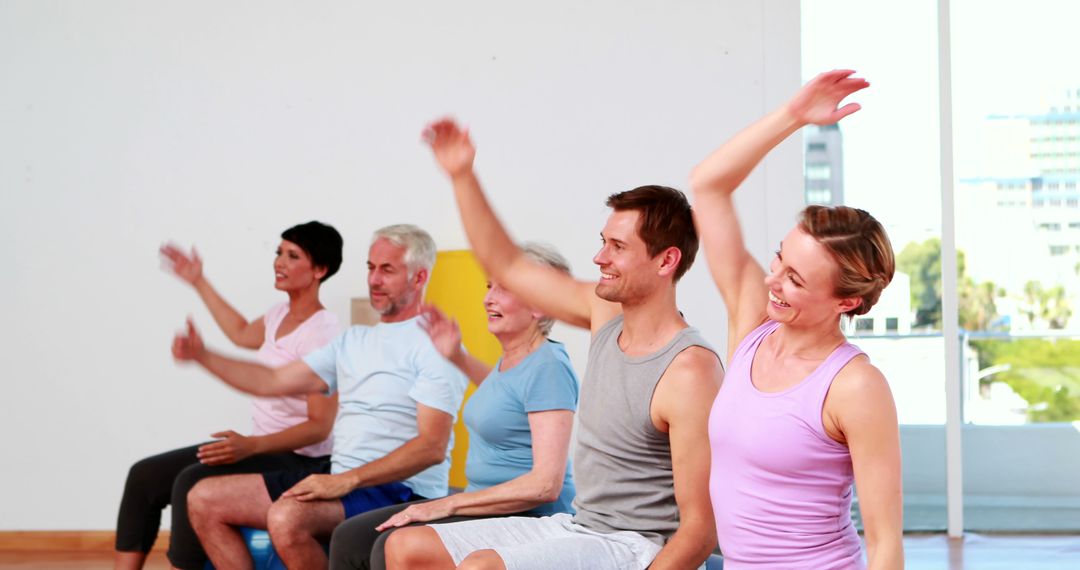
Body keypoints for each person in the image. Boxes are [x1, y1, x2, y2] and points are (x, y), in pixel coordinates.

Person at [384, 120, 724, 570]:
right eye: (603, 242)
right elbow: (505, 261)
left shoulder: (690, 370)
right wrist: (463, 176)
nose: (599, 257)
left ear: (667, 260)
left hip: (638, 546)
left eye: (617, 247)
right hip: (584, 526)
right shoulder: (606, 316)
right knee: (408, 547)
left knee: (482, 568)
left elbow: (701, 530)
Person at [689, 69, 903, 569]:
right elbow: (708, 187)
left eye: (796, 280)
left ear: (845, 303)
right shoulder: (752, 328)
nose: (772, 281)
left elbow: (886, 542)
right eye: (778, 259)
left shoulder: (855, 386)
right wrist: (793, 116)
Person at [172, 224, 469, 570]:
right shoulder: (353, 340)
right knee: (203, 498)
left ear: (419, 278)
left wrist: (346, 480)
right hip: (342, 477)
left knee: (285, 517)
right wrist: (203, 356)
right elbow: (270, 380)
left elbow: (432, 447)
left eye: (387, 270)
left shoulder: (436, 346)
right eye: (371, 268)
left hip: (398, 489)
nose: (374, 280)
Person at [328, 243, 580, 570]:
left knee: (389, 545)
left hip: (527, 514)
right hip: (483, 500)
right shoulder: (516, 360)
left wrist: (449, 503)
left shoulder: (549, 366)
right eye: (490, 286)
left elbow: (545, 486)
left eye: (505, 289)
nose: (488, 298)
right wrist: (456, 357)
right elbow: (506, 395)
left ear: (540, 306)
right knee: (349, 537)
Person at [114, 221, 343, 570]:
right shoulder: (279, 314)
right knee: (144, 476)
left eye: (292, 255)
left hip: (301, 460)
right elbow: (239, 333)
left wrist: (253, 446)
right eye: (278, 252)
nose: (279, 261)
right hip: (262, 448)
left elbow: (319, 428)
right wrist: (198, 281)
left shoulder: (322, 334)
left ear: (319, 270)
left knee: (189, 481)